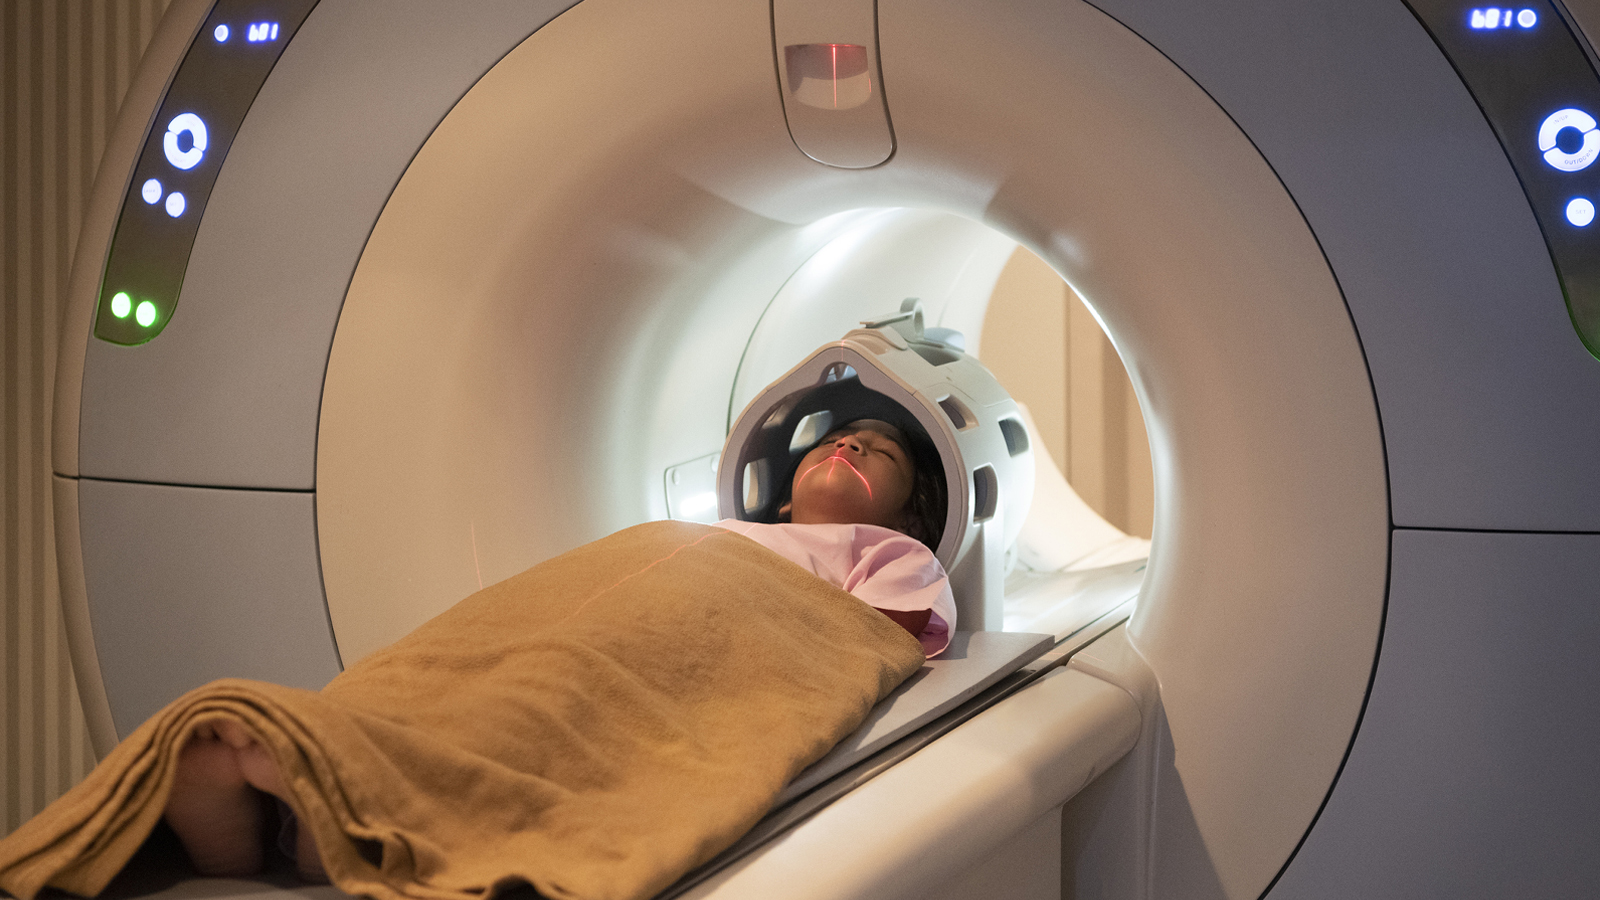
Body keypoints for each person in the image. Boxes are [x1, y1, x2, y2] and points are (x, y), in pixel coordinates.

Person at [160, 418, 956, 885]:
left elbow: (867, 647)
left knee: (546, 705)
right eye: (838, 441)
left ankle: (310, 815)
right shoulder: (721, 529)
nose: (848, 450)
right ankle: (322, 762)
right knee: (481, 663)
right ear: (782, 496)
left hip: (717, 626)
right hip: (627, 597)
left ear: (906, 516)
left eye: (876, 456)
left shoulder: (886, 553)